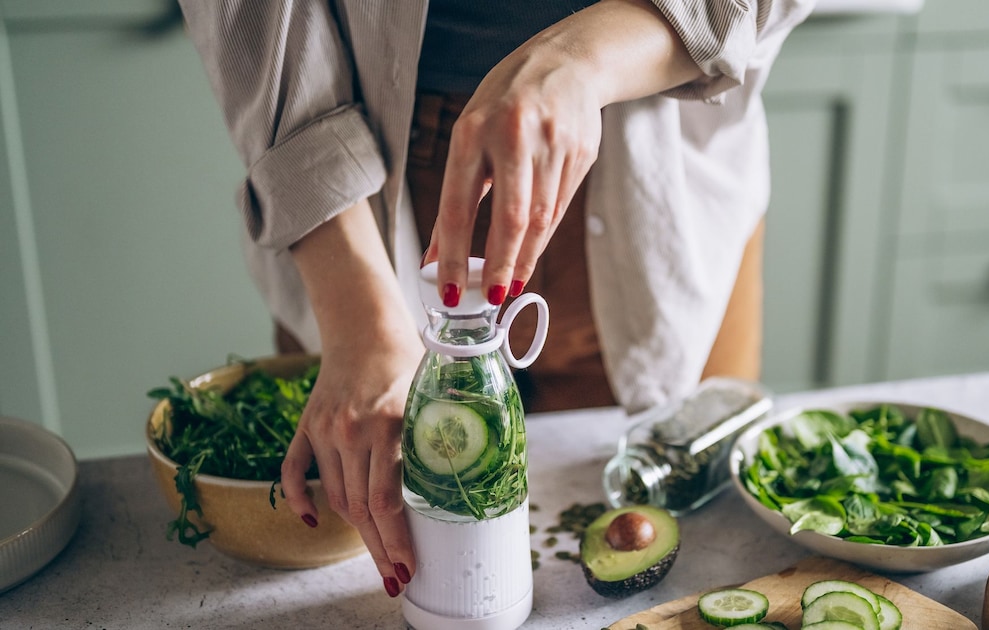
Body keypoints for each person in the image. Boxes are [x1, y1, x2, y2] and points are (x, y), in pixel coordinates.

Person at [179, 0, 816, 599]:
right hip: (363, 192)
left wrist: (586, 55)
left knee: (696, 518)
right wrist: (359, 324)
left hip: (659, 172)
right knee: (366, 511)